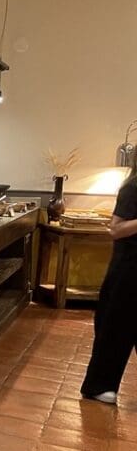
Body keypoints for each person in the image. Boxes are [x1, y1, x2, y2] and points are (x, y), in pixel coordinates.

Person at [81, 161, 137, 404]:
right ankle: (99, 385)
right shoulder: (133, 187)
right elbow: (116, 229)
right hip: (129, 269)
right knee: (115, 327)